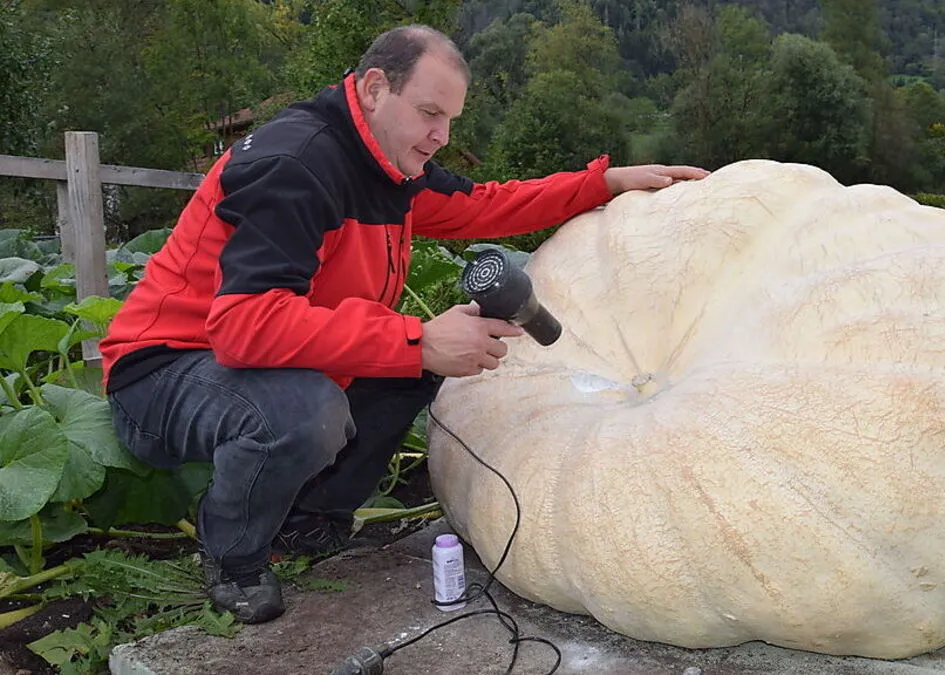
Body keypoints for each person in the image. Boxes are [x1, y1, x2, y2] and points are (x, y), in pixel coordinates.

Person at [98, 23, 708, 625]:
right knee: (307, 409)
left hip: (255, 363)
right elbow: (242, 326)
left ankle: (311, 522)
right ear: (372, 89)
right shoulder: (296, 166)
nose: (440, 136)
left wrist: (600, 183)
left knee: (405, 371)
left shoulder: (392, 168)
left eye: (449, 121)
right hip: (166, 369)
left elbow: (484, 204)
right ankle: (234, 557)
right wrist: (416, 339)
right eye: (427, 113)